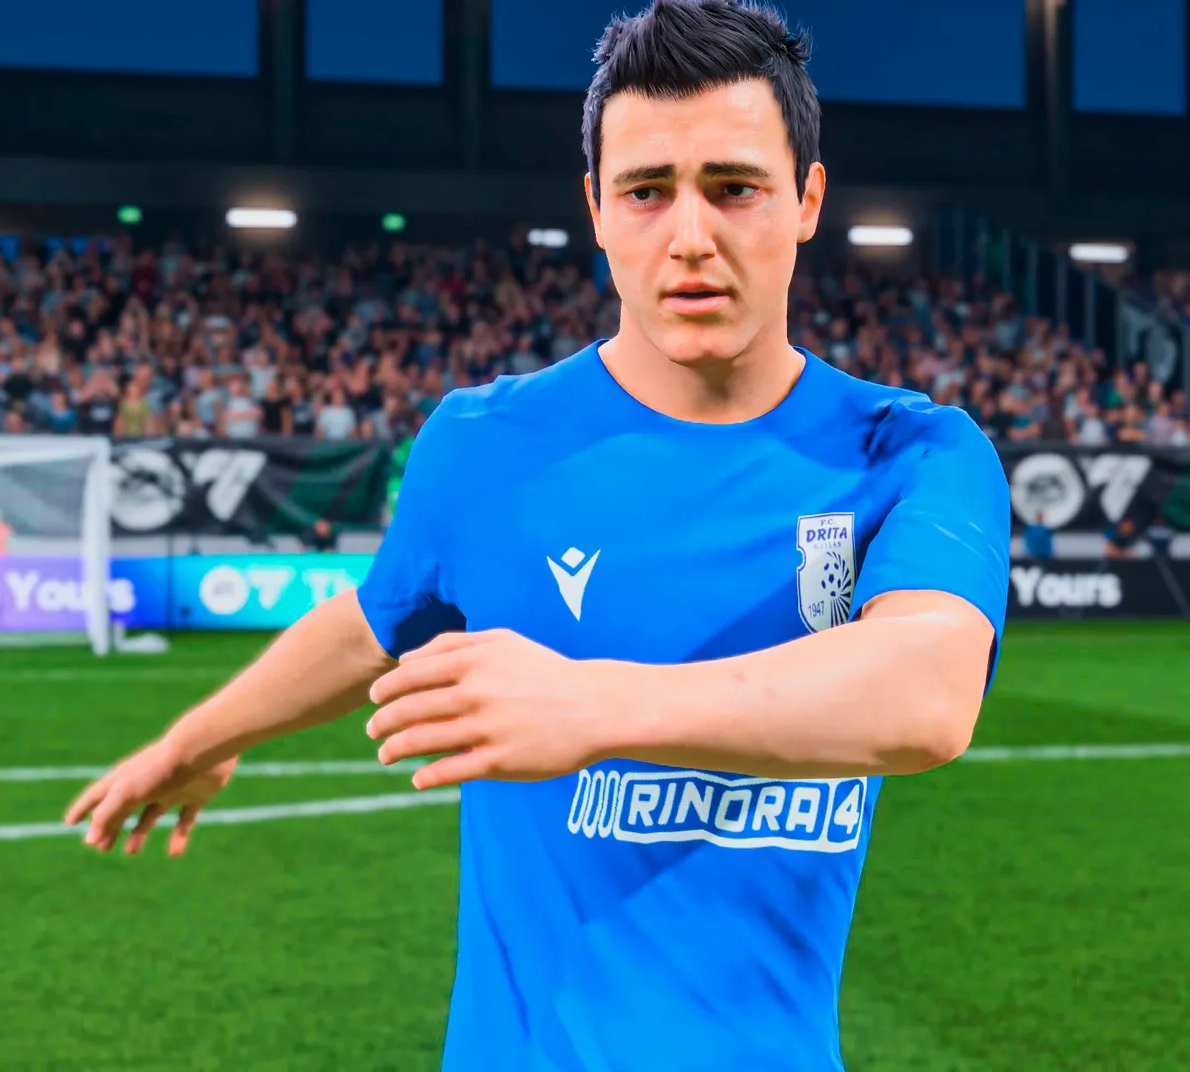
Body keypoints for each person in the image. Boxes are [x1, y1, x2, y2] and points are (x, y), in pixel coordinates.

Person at [62, 5, 1010, 1068]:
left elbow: (927, 693)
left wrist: (593, 704)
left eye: (733, 187)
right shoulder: (485, 444)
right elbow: (376, 622)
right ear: (596, 209)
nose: (689, 236)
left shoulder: (912, 454)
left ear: (807, 201)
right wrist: (195, 741)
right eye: (646, 191)